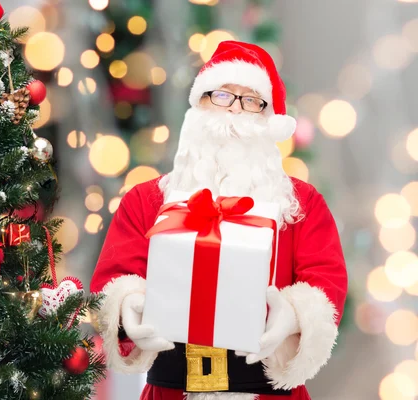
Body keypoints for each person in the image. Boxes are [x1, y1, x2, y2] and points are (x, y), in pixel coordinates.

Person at [90, 40, 348, 400]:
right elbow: (114, 278)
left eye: (251, 100)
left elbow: (326, 282)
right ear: (199, 105)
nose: (235, 112)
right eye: (222, 96)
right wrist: (127, 305)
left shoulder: (302, 204)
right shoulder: (146, 201)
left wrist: (293, 315)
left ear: (268, 117)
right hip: (172, 389)